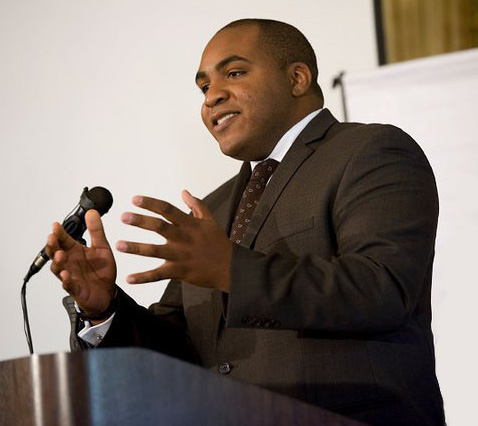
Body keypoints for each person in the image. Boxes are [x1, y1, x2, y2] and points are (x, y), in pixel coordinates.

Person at [46, 19, 445, 425]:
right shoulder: (213, 209)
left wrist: (230, 270)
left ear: (297, 78)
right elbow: (180, 351)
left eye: (233, 73)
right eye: (203, 88)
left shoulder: (370, 151)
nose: (212, 97)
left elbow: (382, 288)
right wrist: (104, 310)